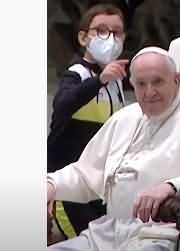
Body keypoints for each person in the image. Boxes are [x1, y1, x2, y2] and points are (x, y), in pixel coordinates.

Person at [47, 47, 180, 251]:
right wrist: (50, 185)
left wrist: (170, 187)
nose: (149, 92)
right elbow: (86, 174)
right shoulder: (123, 119)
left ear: (177, 80)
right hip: (111, 233)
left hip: (169, 236)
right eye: (141, 84)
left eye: (157, 81)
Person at [47, 4, 128, 238]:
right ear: (83, 37)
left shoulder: (116, 81)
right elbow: (62, 104)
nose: (110, 38)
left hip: (98, 186)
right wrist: (99, 80)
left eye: (117, 32)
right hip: (67, 187)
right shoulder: (77, 74)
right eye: (101, 30)